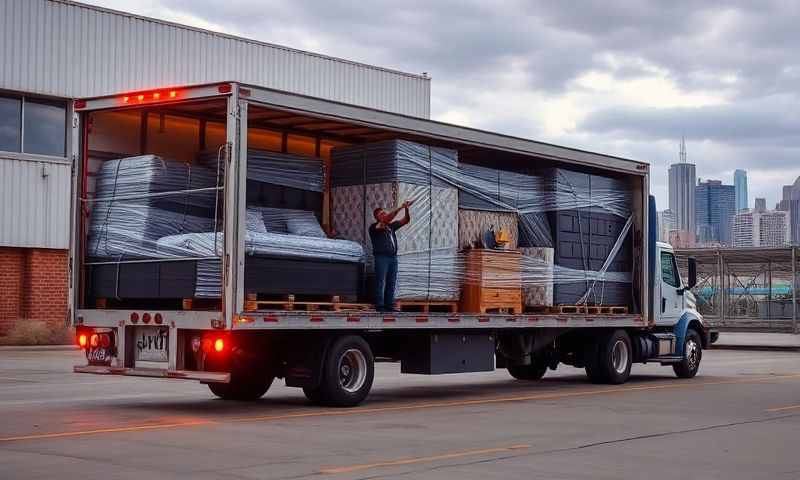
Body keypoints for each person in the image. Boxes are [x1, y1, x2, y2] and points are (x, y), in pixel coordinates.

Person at [369, 200, 413, 312]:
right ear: (377, 218)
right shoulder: (374, 227)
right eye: (381, 214)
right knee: (380, 281)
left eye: (384, 212)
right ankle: (380, 306)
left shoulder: (391, 227)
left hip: (393, 258)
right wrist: (400, 208)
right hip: (381, 257)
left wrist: (406, 209)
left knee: (391, 282)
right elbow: (387, 218)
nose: (384, 214)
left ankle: (389, 306)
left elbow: (406, 220)